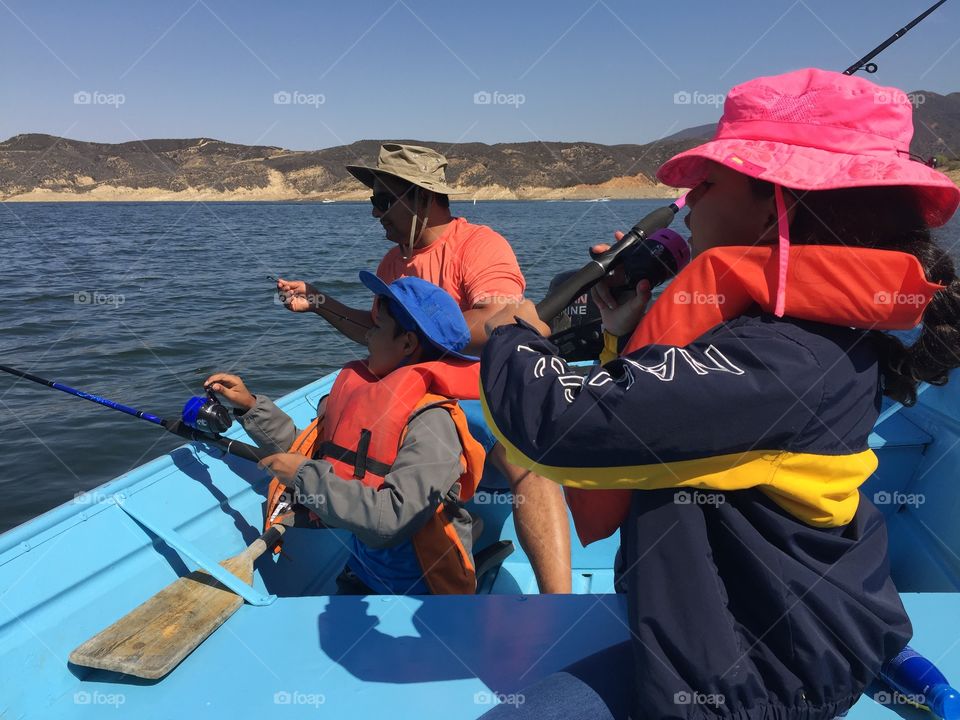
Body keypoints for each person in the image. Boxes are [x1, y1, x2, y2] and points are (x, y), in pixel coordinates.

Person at [476, 68, 960, 718]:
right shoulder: (819, 328)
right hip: (816, 612)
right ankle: (867, 646)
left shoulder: (780, 362)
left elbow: (558, 426)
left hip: (758, 679)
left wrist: (511, 333)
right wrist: (628, 329)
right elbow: (671, 393)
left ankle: (852, 657)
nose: (689, 199)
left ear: (776, 205)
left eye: (709, 182)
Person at [276, 143, 572, 593]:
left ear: (419, 199)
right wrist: (319, 303)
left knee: (530, 470)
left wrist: (437, 331)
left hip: (475, 395)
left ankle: (557, 601)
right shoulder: (393, 263)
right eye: (372, 201)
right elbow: (379, 334)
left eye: (382, 200)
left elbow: (503, 317)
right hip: (411, 393)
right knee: (339, 412)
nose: (375, 214)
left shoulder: (479, 245)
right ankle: (376, 551)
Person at [206, 274, 486, 595]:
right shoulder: (367, 394)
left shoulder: (431, 422)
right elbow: (316, 452)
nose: (367, 336)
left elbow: (391, 520)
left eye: (377, 327)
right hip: (365, 569)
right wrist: (251, 407)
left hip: (423, 590)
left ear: (407, 343)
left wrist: (303, 477)